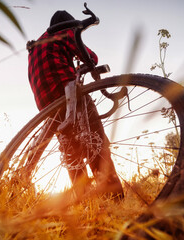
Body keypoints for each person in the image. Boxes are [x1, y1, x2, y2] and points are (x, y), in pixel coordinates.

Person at [27, 10, 123, 199]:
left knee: (72, 155)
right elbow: (91, 57)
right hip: (68, 93)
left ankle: (84, 203)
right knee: (97, 143)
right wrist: (80, 65)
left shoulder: (35, 46)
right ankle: (114, 201)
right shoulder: (64, 32)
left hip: (47, 107)